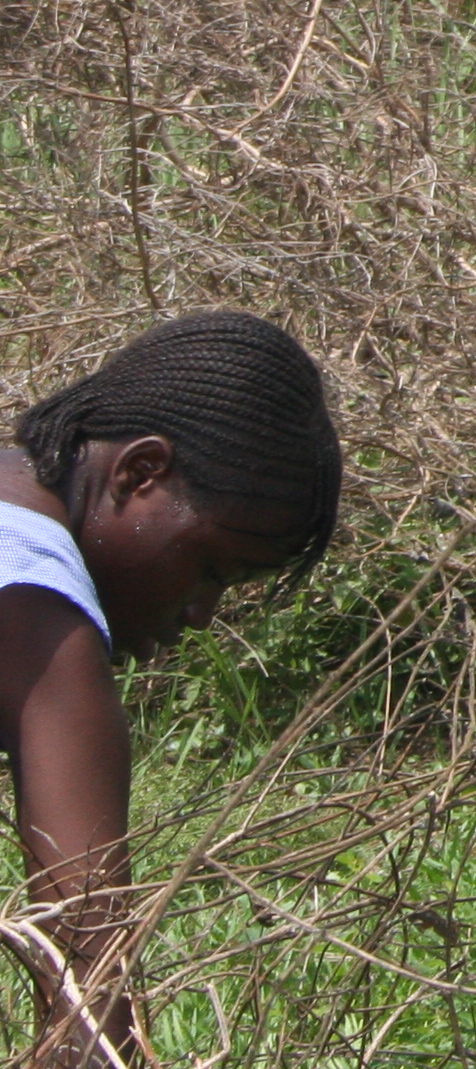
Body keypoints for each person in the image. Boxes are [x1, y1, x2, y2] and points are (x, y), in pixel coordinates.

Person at [3, 314, 342, 1068]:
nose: (200, 616)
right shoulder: (38, 613)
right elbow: (85, 1004)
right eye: (210, 570)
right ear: (139, 473)